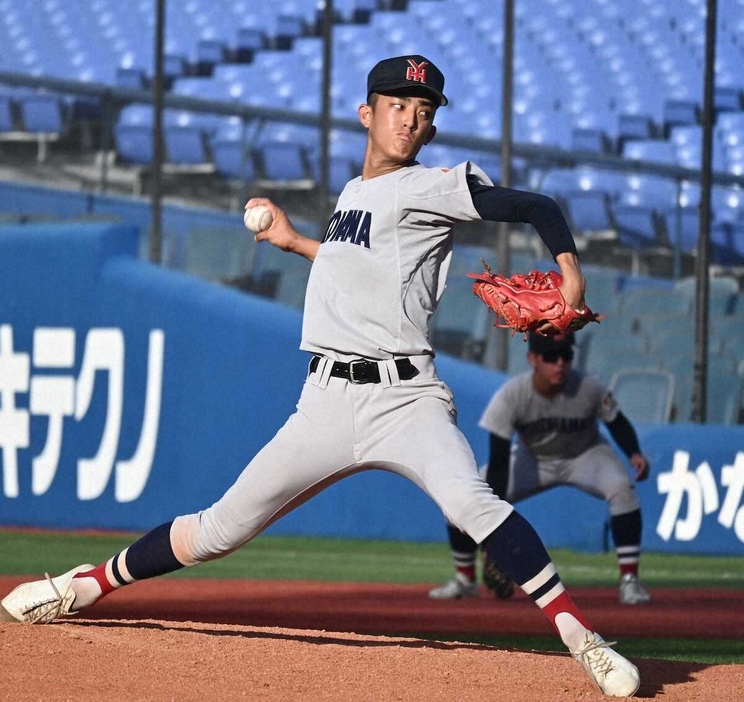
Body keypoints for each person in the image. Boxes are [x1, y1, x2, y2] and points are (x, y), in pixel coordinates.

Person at [0, 55, 639, 697]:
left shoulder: (433, 187)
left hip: (406, 399)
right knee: (221, 528)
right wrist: (296, 243)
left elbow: (536, 203)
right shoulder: (354, 196)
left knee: (473, 502)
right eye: (397, 106)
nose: (410, 120)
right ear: (368, 114)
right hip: (326, 401)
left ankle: (584, 639)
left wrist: (570, 270)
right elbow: (353, 265)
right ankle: (81, 586)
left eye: (423, 112)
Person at [429, 331, 651, 606]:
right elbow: (499, 461)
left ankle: (630, 582)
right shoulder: (512, 395)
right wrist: (491, 535)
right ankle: (465, 580)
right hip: (531, 460)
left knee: (622, 488)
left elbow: (616, 421)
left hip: (586, 455)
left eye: (566, 355)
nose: (559, 363)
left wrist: (634, 453)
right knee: (463, 496)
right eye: (550, 356)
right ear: (532, 358)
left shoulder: (589, 388)